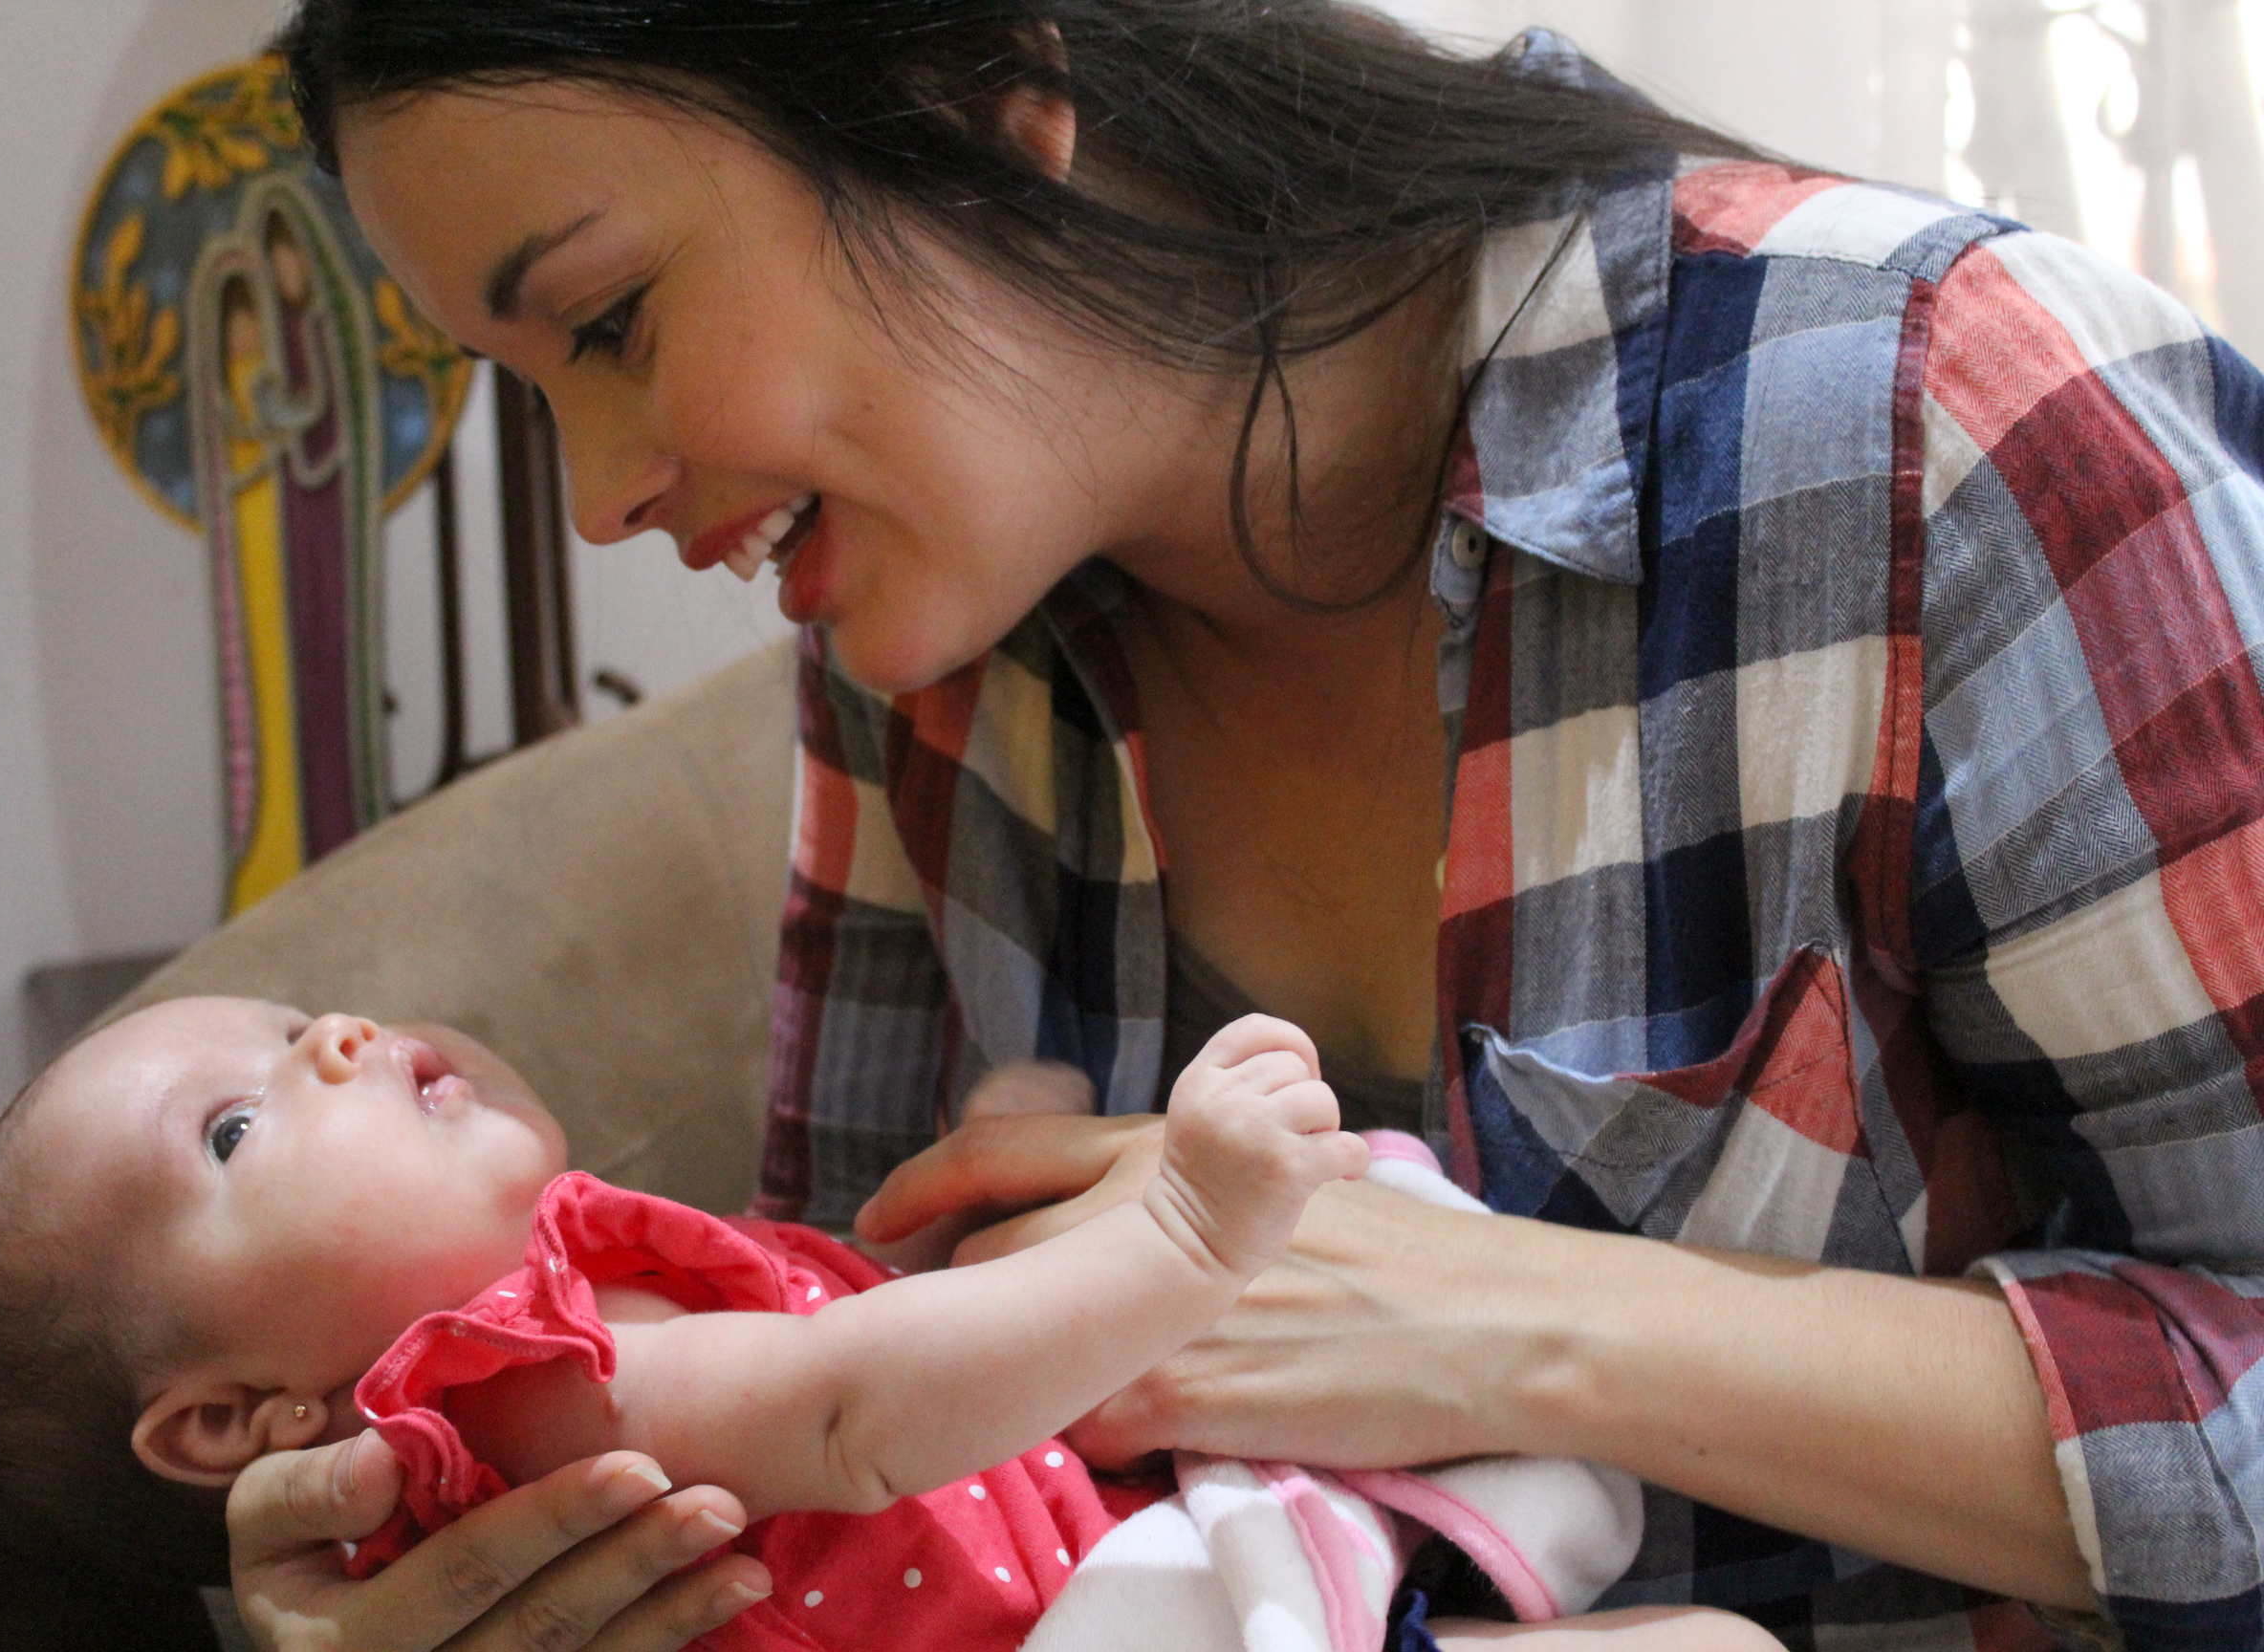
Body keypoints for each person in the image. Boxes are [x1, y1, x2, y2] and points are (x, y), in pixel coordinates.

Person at [235, 1, 2264, 1648]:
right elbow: (834, 1360)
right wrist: (433, 1550)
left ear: (984, 92)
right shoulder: (927, 648)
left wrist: (1504, 1325)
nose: (595, 494)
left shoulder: (1944, 429)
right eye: (527, 388)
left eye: (604, 323)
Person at [0, 996, 1764, 1648]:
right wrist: (1194, 1224)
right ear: (234, 1421)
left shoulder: (579, 1300)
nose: (324, 1038)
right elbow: (848, 1413)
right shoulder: (493, 1404)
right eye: (236, 1129)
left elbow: (856, 1317)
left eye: (294, 1012)